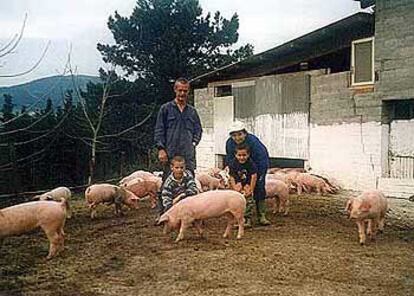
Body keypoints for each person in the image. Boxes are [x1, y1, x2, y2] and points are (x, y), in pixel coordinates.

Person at [154, 77, 202, 214]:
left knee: (190, 185)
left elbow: (198, 130)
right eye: (180, 90)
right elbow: (159, 130)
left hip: (188, 155)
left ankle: (190, 214)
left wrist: (193, 142)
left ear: (188, 92)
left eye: (185, 91)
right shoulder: (165, 109)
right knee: (167, 184)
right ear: (175, 90)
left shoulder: (192, 111)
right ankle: (164, 214)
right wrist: (161, 149)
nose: (182, 94)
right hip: (171, 153)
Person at [225, 121, 271, 226]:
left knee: (259, 188)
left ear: (245, 133)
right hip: (239, 169)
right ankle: (245, 217)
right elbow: (230, 161)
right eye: (234, 135)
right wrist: (236, 179)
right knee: (241, 191)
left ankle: (262, 215)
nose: (237, 138)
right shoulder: (229, 143)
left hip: (256, 167)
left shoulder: (253, 142)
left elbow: (262, 158)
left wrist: (259, 176)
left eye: (240, 134)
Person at [228, 143, 258, 228]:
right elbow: (232, 176)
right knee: (236, 203)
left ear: (248, 154)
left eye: (244, 155)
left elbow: (254, 175)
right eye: (239, 155)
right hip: (238, 185)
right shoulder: (233, 163)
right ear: (235, 155)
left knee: (248, 201)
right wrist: (234, 187)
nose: (242, 157)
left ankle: (247, 219)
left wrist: (251, 188)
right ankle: (236, 219)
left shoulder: (250, 163)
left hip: (247, 185)